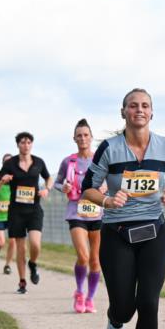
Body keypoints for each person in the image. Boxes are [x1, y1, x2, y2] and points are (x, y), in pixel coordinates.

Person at [82, 88, 165, 329]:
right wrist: (107, 200)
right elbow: (87, 188)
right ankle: (115, 322)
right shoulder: (110, 149)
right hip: (117, 234)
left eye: (144, 106)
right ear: (124, 112)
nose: (139, 110)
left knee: (149, 302)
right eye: (133, 106)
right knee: (125, 306)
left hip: (154, 231)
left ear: (151, 113)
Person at [54, 118, 105, 313]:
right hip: (76, 212)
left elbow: (110, 181)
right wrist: (63, 187)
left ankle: (90, 298)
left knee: (95, 260)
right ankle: (79, 292)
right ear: (74, 138)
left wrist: (106, 187)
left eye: (86, 135)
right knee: (83, 256)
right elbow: (58, 183)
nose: (82, 138)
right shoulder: (69, 161)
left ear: (91, 137)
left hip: (98, 212)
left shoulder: (99, 160)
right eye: (79, 135)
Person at [0, 132, 51, 294]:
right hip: (16, 211)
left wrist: (47, 189)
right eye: (22, 143)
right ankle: (22, 281)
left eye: (28, 142)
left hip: (34, 209)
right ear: (17, 145)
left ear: (32, 144)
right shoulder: (10, 163)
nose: (25, 145)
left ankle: (33, 263)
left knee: (35, 244)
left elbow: (48, 178)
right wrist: (2, 181)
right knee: (20, 248)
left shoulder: (39, 162)